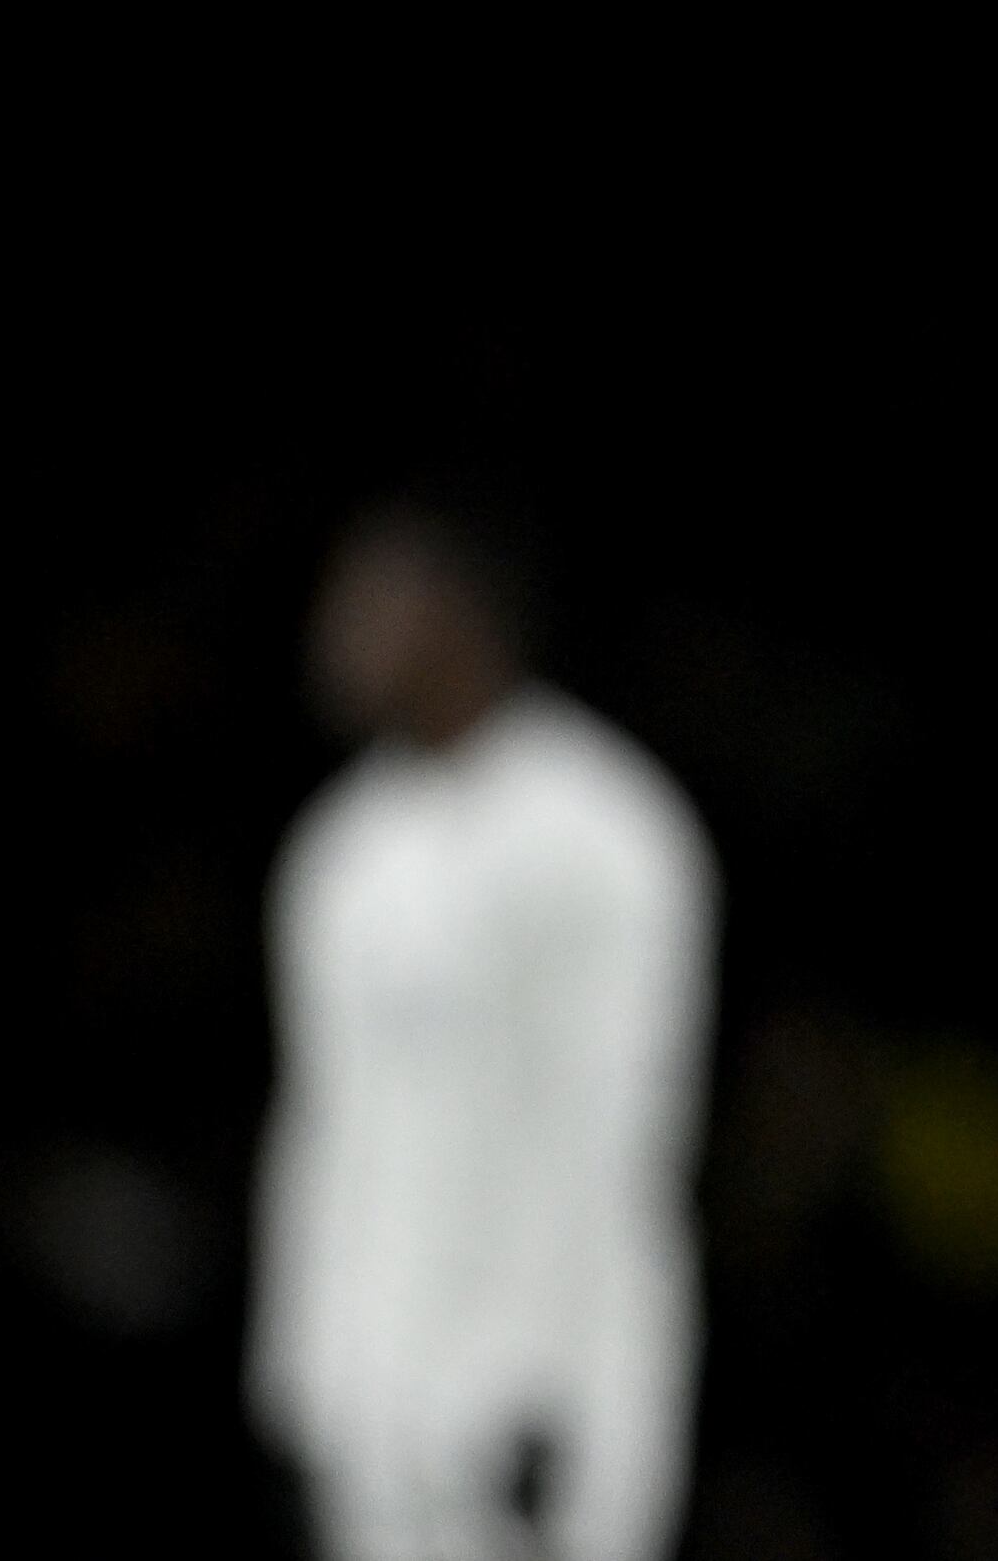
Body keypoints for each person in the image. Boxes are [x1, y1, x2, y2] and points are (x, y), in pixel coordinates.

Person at [252, 498, 716, 1561]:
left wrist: (542, 1372)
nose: (336, 638)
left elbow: (616, 1123)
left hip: (541, 1394)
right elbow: (325, 1122)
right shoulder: (342, 855)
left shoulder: (602, 832)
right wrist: (302, 1369)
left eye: (369, 606)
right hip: (375, 1389)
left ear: (459, 616)